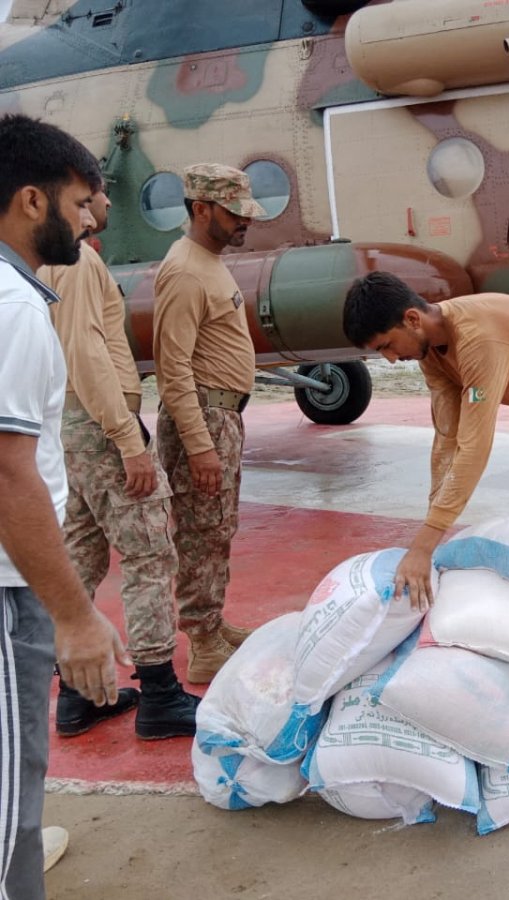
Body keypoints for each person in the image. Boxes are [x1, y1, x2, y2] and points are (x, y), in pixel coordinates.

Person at [0, 112, 129, 900]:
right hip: (8, 592)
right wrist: (76, 616)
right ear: (29, 201)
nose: (89, 221)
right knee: (14, 789)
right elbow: (9, 476)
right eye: (80, 203)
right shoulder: (14, 310)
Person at [343, 275, 509, 610]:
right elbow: (448, 437)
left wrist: (424, 546)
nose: (389, 358)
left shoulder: (479, 341)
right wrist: (431, 529)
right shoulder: (429, 351)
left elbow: (474, 447)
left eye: (386, 345)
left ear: (412, 320)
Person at [40, 186, 199, 739]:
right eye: (94, 194)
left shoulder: (47, 260)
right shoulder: (80, 259)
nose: (104, 203)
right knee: (149, 555)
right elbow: (87, 351)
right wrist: (128, 439)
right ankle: (160, 693)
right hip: (100, 423)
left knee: (80, 553)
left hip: (67, 424)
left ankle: (77, 694)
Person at [152, 163, 265, 684]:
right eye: (234, 213)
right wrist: (199, 447)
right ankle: (201, 643)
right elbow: (172, 368)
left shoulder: (208, 261)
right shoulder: (185, 270)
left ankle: (211, 624)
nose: (245, 223)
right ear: (201, 209)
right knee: (200, 531)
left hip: (221, 416)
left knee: (216, 529)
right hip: (203, 416)